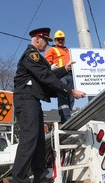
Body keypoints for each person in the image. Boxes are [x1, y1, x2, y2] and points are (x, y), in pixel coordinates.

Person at [12, 27, 86, 183]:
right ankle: (19, 180)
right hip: (25, 100)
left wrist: (65, 69)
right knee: (29, 138)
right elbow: (45, 76)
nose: (47, 45)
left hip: (33, 100)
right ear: (37, 39)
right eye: (46, 41)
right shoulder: (31, 55)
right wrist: (70, 91)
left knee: (38, 140)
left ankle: (40, 177)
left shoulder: (38, 58)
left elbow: (50, 74)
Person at [45, 30, 74, 124]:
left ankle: (68, 114)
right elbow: (46, 62)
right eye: (58, 39)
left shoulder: (68, 51)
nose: (60, 41)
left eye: (62, 39)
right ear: (55, 40)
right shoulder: (51, 50)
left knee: (71, 96)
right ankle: (65, 118)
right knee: (63, 94)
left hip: (71, 75)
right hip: (61, 74)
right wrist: (50, 67)